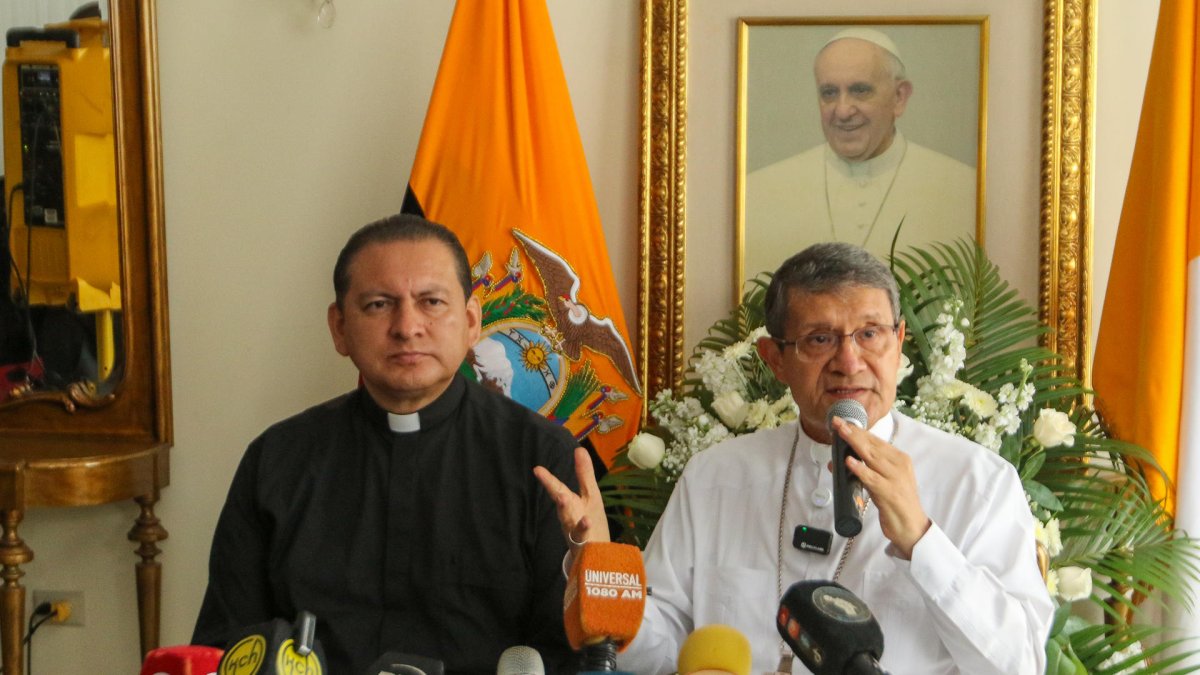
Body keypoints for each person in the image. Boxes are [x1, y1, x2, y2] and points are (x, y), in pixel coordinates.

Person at [537, 242, 1053, 674]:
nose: (848, 361)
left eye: (870, 334)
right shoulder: (716, 476)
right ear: (775, 360)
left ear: (898, 344)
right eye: (819, 339)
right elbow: (662, 645)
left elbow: (1020, 663)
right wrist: (597, 567)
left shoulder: (978, 481)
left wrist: (922, 540)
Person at [193, 213, 585, 673]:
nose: (407, 326)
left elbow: (567, 653)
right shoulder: (276, 459)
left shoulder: (542, 458)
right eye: (379, 305)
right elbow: (227, 646)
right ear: (339, 328)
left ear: (471, 322)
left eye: (431, 302)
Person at [743, 28, 977, 274]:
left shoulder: (962, 187)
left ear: (899, 97)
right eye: (829, 93)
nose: (843, 111)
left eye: (860, 90)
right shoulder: (760, 189)